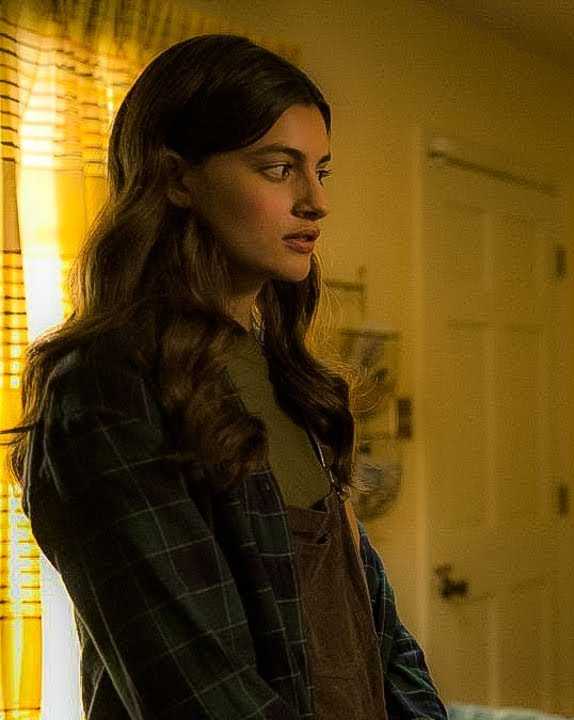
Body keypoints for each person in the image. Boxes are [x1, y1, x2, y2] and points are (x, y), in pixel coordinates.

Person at [6, 34, 447, 719]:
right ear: (177, 179)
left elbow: (380, 634)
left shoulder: (289, 377)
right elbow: (197, 691)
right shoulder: (105, 387)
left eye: (321, 171)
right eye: (278, 169)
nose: (315, 201)